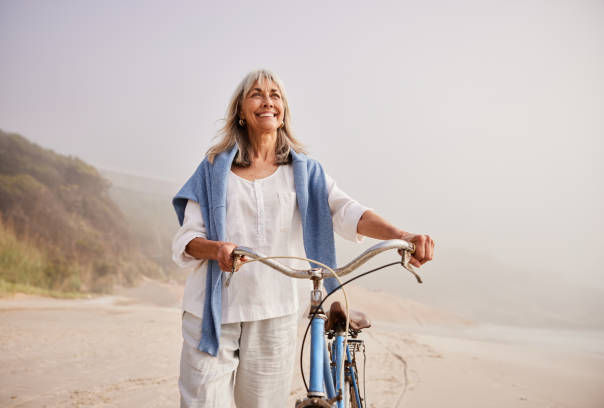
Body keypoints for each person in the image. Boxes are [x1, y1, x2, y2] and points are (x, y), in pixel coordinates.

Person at [171, 69, 434, 408]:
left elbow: (349, 212)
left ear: (283, 113)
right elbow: (188, 238)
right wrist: (216, 249)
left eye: (275, 95)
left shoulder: (305, 172)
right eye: (256, 94)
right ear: (240, 111)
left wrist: (400, 235)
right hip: (212, 314)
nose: (268, 101)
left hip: (275, 311)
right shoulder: (211, 169)